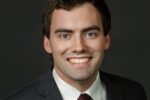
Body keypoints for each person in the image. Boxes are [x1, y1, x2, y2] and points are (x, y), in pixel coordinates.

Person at [4, 0, 147, 100]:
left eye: (90, 34)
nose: (79, 47)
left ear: (106, 40)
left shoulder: (134, 94)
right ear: (47, 44)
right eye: (65, 35)